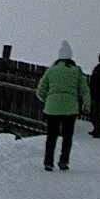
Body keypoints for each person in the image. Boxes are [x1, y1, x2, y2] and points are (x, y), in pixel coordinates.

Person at [35, 40, 91, 172]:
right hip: (70, 109)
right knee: (67, 136)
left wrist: (47, 100)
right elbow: (85, 90)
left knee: (51, 136)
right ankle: (63, 161)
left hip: (52, 108)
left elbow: (40, 91)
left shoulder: (51, 71)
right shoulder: (76, 71)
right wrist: (86, 106)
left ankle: (48, 162)